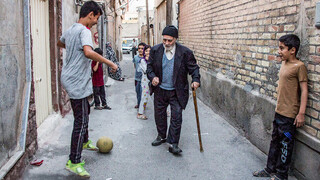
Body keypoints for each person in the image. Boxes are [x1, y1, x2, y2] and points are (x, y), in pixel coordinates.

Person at [57, 1, 117, 178]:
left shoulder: (71, 29)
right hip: (76, 81)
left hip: (71, 78)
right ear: (90, 14)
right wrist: (110, 62)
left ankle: (84, 142)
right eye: (96, 18)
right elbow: (89, 53)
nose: (96, 22)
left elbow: (60, 43)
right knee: (81, 120)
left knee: (85, 112)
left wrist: (74, 51)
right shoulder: (84, 31)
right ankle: (74, 161)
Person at [253, 34, 308, 180]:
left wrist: (301, 113)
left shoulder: (299, 67)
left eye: (282, 48)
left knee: (285, 145)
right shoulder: (284, 64)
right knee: (274, 142)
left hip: (290, 115)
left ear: (293, 50)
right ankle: (269, 169)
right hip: (279, 111)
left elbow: (304, 91)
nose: (279, 51)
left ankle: (282, 175)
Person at [147, 25, 201, 155]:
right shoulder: (155, 50)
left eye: (169, 40)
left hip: (177, 91)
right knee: (159, 115)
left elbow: (194, 68)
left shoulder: (185, 52)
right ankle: (162, 136)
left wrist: (196, 80)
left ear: (175, 39)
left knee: (176, 117)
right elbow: (149, 68)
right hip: (160, 89)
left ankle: (173, 143)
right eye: (164, 40)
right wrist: (153, 77)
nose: (166, 43)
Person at [137, 45, 151, 120]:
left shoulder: (153, 60)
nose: (148, 52)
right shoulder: (142, 61)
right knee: (144, 97)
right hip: (145, 82)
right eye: (146, 51)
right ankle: (140, 113)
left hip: (152, 81)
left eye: (149, 51)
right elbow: (146, 70)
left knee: (157, 97)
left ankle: (164, 111)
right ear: (144, 52)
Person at [133, 42, 146, 108]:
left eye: (142, 48)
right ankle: (138, 103)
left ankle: (142, 105)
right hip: (137, 78)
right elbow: (135, 66)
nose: (140, 50)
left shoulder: (146, 58)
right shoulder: (135, 57)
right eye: (139, 48)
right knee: (138, 92)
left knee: (142, 92)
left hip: (144, 79)